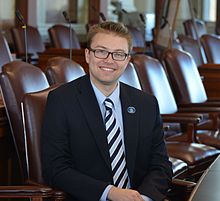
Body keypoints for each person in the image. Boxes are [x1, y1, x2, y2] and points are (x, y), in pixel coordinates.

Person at [41, 21, 172, 201]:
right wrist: (109, 192)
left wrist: (143, 198)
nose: (109, 60)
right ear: (88, 55)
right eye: (101, 51)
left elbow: (161, 165)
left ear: (127, 60)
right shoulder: (62, 100)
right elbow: (55, 168)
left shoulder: (146, 103)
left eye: (119, 54)